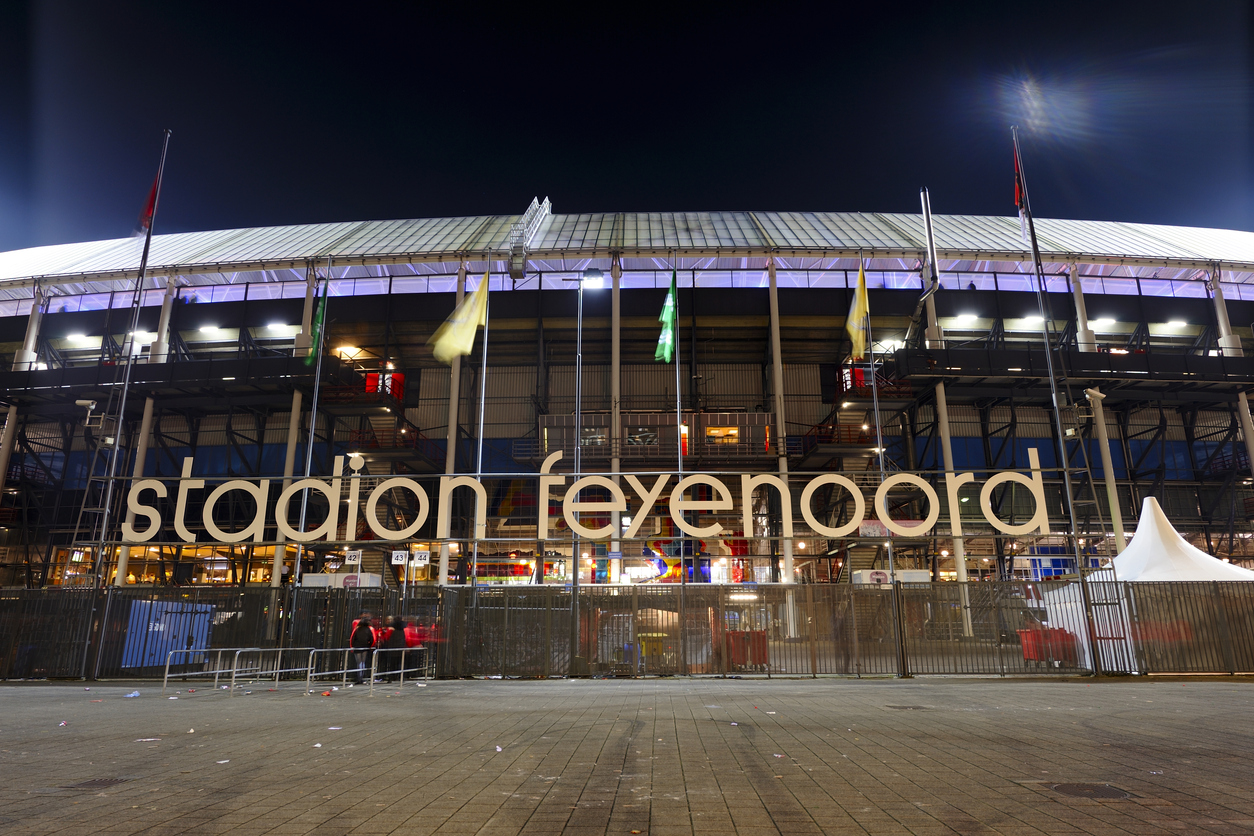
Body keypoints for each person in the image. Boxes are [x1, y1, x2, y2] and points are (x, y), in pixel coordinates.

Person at [349, 611, 376, 684]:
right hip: (365, 647)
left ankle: (359, 677)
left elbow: (352, 638)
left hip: (357, 647)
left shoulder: (357, 629)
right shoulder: (369, 629)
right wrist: (370, 646)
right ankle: (361, 677)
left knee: (358, 662)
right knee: (363, 662)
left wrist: (352, 647)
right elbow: (372, 639)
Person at [381, 616, 408, 681]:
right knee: (400, 663)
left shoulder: (391, 629)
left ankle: (391, 677)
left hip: (392, 647)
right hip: (401, 648)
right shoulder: (404, 629)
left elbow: (387, 637)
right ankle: (400, 677)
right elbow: (407, 638)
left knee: (392, 664)